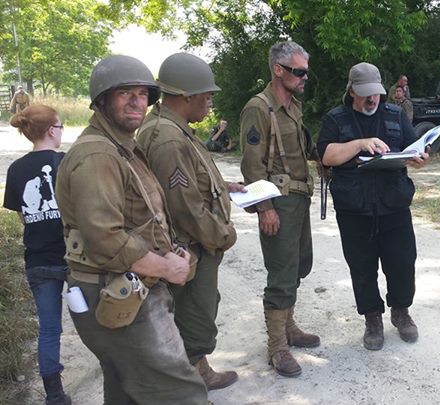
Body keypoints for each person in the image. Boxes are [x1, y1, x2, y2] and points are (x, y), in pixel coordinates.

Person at [55, 55, 207, 403]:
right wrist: (167, 267)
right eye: (125, 93)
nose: (137, 102)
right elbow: (106, 239)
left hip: (127, 285)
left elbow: (142, 218)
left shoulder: (122, 148)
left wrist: (171, 250)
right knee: (181, 391)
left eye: (142, 94)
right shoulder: (98, 156)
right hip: (118, 290)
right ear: (102, 100)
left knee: (126, 388)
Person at [137, 52, 244, 390]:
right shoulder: (167, 138)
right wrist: (223, 235)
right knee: (193, 320)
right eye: (207, 95)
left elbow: (187, 181)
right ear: (185, 96)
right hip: (190, 246)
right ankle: (187, 388)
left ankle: (199, 372)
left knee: (197, 313)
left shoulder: (173, 129)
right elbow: (183, 206)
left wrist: (222, 187)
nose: (210, 102)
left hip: (192, 244)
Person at [317, 62, 429, 351]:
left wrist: (418, 156)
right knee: (362, 268)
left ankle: (401, 312)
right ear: (351, 91)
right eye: (365, 94)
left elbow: (412, 146)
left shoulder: (394, 114)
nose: (372, 99)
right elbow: (327, 155)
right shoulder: (336, 119)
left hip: (393, 204)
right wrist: (360, 144)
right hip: (355, 208)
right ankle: (372, 319)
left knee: (403, 262)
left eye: (376, 93)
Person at [239, 41, 319, 378]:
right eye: (298, 72)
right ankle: (277, 347)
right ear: (278, 70)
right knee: (281, 274)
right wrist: (265, 208)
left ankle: (289, 326)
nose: (304, 77)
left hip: (299, 198)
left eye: (305, 72)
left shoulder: (294, 106)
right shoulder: (258, 108)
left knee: (299, 265)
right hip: (277, 202)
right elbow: (252, 165)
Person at [3, 105, 71, 405]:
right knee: (99, 320)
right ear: (51, 130)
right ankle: (118, 374)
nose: (61, 131)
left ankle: (54, 396)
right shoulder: (66, 162)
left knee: (49, 329)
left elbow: (22, 216)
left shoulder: (17, 169)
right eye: (61, 126)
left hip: (39, 261)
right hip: (75, 259)